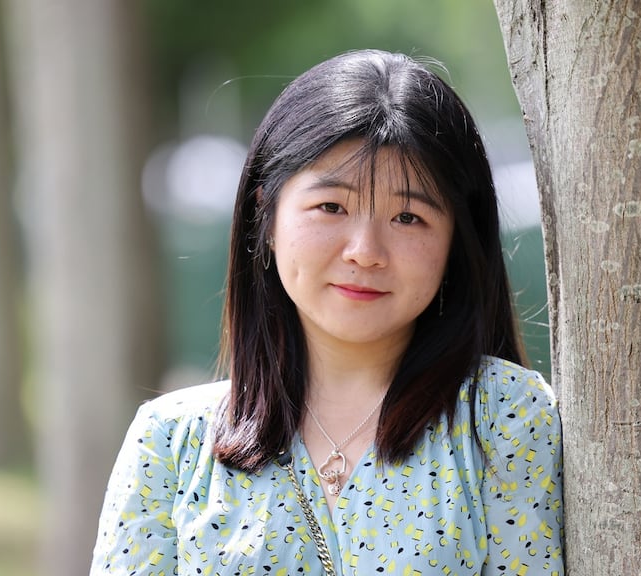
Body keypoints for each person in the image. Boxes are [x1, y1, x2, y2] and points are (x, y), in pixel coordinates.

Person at [91, 49, 564, 576]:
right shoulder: (170, 442)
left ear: (457, 239)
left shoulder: (503, 417)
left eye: (408, 217)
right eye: (332, 207)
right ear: (266, 216)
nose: (365, 251)